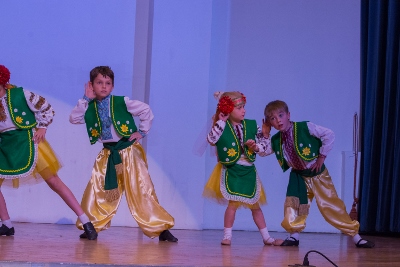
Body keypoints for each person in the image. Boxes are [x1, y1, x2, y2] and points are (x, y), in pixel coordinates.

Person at [69, 66, 177, 242]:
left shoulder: (121, 102)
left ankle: (161, 228)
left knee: (141, 189)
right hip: (108, 154)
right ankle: (93, 225)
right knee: (99, 189)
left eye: (108, 83)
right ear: (91, 85)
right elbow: (74, 118)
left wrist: (142, 132)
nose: (104, 86)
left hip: (128, 151)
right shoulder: (88, 106)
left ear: (112, 86)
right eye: (99, 83)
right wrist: (85, 99)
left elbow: (145, 111)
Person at [259, 100, 374, 248]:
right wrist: (265, 134)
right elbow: (263, 152)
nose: (278, 120)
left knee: (331, 205)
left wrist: (322, 157)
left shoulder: (304, 127)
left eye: (280, 115)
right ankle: (294, 236)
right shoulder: (276, 139)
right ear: (270, 123)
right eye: (273, 118)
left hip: (316, 174)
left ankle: (356, 237)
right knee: (294, 205)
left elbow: (329, 134)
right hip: (298, 176)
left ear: (288, 115)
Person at [0, 64, 97, 240]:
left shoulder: (20, 94)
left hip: (29, 140)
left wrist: (42, 127)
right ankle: (6, 224)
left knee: (53, 181)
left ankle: (86, 222)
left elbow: (46, 107)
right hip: (5, 145)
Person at [203, 91, 283, 246]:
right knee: (232, 204)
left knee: (256, 205)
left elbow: (265, 148)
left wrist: (257, 145)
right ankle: (227, 235)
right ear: (228, 110)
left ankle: (267, 237)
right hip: (233, 169)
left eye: (243, 107)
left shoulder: (252, 125)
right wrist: (220, 122)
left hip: (248, 170)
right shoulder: (222, 126)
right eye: (239, 108)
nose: (243, 111)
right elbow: (211, 139)